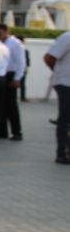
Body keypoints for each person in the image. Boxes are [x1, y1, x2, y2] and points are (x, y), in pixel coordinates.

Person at [44, 27, 70, 164]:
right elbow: (49, 58)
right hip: (65, 84)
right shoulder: (67, 37)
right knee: (65, 118)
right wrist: (58, 72)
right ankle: (62, 153)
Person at [0, 23, 26, 141]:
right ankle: (2, 131)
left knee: (11, 105)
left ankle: (17, 132)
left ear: (6, 31)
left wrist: (17, 78)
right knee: (1, 104)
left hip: (11, 74)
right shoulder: (0, 43)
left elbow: (21, 62)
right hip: (2, 74)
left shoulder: (15, 43)